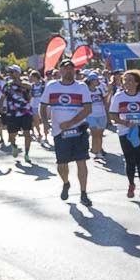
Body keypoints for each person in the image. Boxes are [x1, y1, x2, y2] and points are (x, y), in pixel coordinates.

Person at [41, 59, 94, 205]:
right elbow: (43, 105)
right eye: (65, 68)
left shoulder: (81, 87)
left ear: (74, 70)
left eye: (71, 68)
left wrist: (71, 123)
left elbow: (88, 109)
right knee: (62, 164)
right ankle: (65, 183)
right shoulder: (52, 86)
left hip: (78, 130)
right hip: (59, 132)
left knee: (81, 161)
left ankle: (83, 193)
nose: (68, 71)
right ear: (60, 70)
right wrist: (45, 122)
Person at [109, 69, 140, 201]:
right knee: (130, 160)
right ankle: (131, 184)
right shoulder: (118, 96)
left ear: (137, 83)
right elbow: (113, 115)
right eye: (125, 80)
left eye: (130, 80)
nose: (127, 83)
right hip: (125, 131)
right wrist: (123, 122)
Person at [0, 66, 34, 163]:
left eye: (12, 72)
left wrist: (20, 84)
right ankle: (14, 146)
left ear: (18, 73)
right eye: (9, 72)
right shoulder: (7, 85)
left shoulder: (26, 84)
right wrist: (0, 108)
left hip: (25, 112)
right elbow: (2, 98)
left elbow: (30, 91)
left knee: (27, 133)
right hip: (12, 113)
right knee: (12, 135)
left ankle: (26, 153)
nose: (10, 74)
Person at [83, 72, 109, 159]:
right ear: (91, 81)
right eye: (96, 80)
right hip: (91, 115)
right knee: (94, 134)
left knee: (100, 134)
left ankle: (98, 151)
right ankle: (95, 150)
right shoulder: (86, 91)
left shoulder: (100, 90)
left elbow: (105, 101)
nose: (98, 81)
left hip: (102, 114)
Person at [29, 70, 49, 144]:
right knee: (36, 120)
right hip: (34, 104)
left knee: (44, 120)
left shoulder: (43, 84)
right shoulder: (32, 86)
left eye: (32, 76)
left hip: (43, 104)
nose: (31, 78)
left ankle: (46, 135)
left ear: (35, 77)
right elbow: (30, 95)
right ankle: (39, 134)